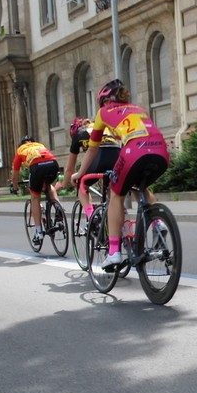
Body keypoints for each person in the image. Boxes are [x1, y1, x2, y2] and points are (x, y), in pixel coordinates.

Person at [70, 78, 170, 268]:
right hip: (161, 151)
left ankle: (114, 252)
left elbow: (92, 149)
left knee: (116, 194)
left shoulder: (103, 112)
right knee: (140, 186)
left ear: (105, 101)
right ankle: (159, 223)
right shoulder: (139, 109)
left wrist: (79, 174)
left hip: (135, 151)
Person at [56, 117, 120, 220]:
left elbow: (70, 167)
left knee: (82, 185)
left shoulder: (79, 133)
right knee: (113, 191)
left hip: (98, 156)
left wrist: (64, 184)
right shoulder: (102, 128)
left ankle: (92, 218)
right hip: (116, 154)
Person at [11, 136, 61, 247]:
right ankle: (58, 208)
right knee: (48, 185)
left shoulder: (20, 150)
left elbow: (15, 175)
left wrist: (14, 187)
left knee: (35, 196)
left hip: (37, 167)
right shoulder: (39, 145)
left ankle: (39, 232)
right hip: (53, 164)